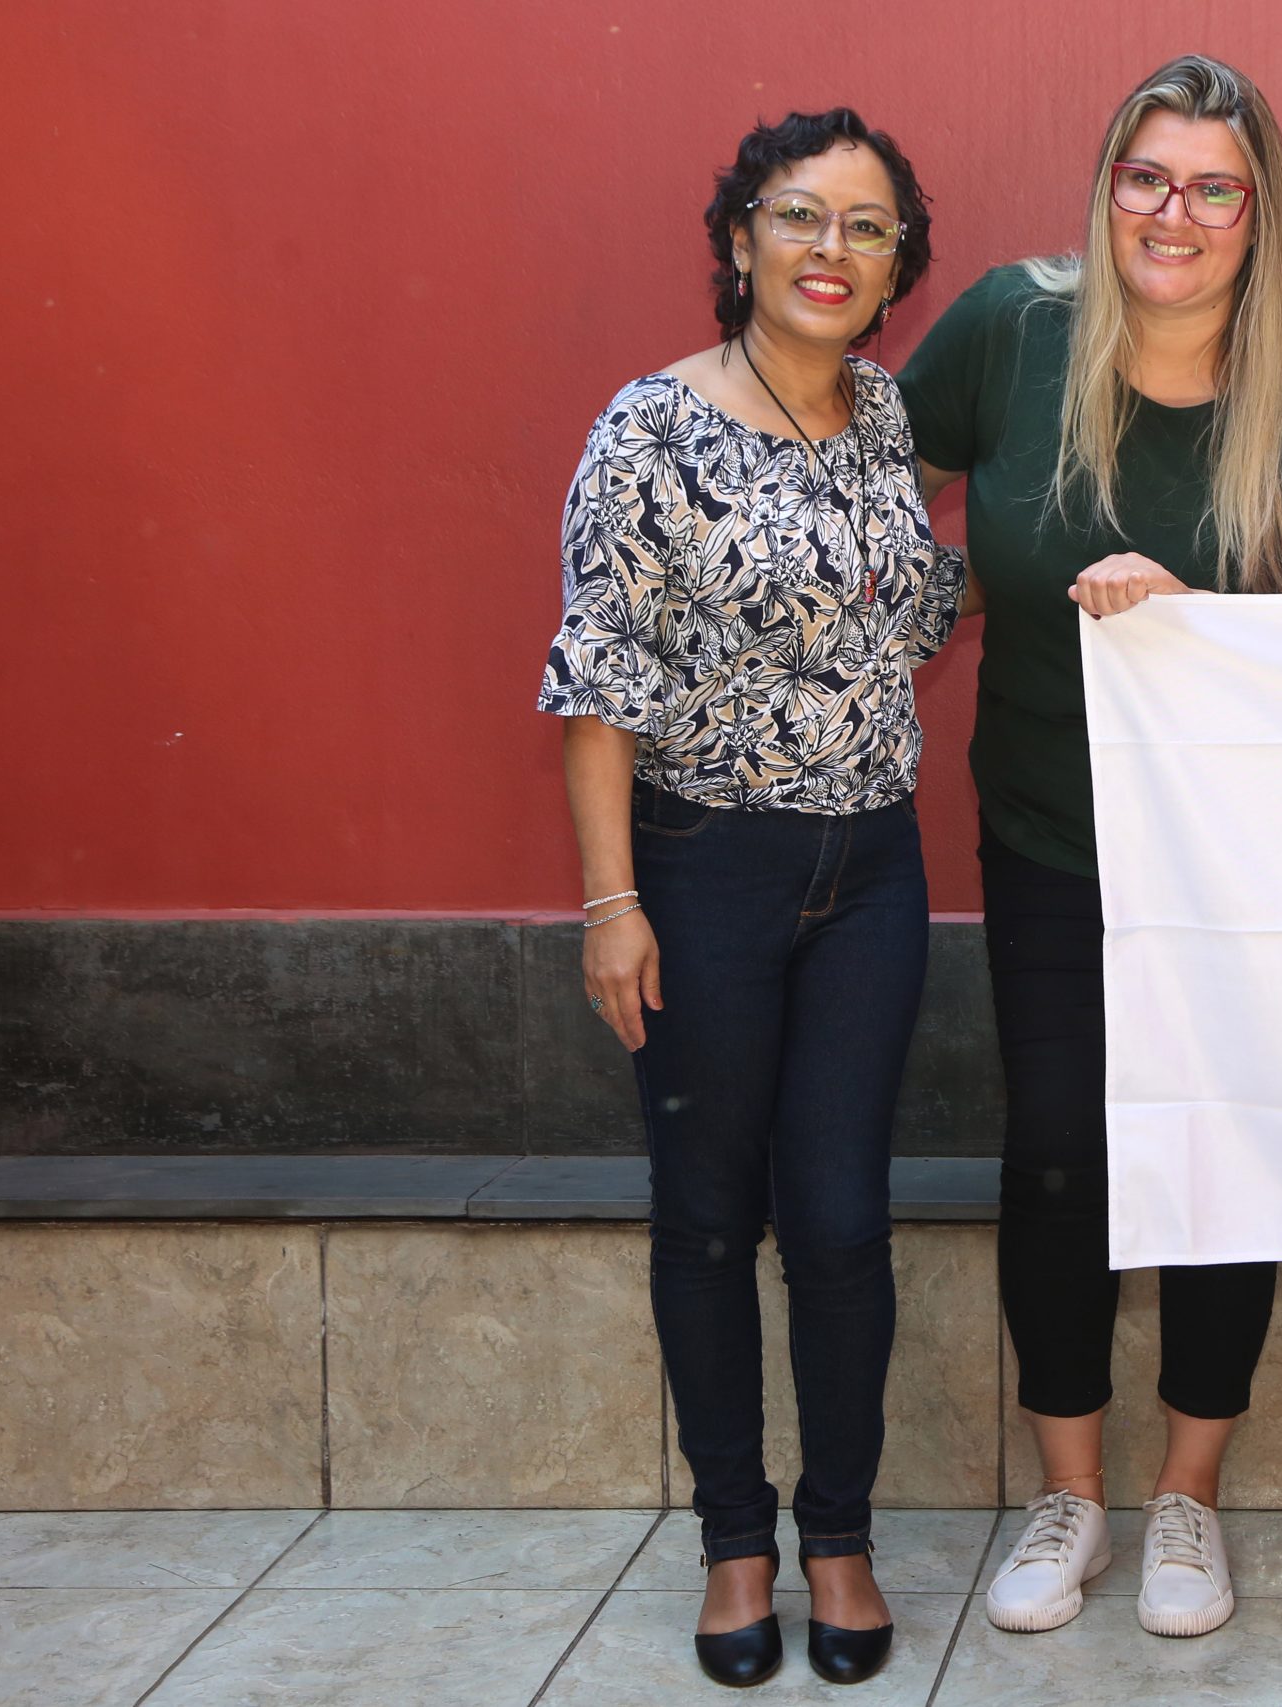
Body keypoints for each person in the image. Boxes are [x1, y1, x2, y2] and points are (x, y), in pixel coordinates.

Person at [896, 53, 1282, 1639]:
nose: (1174, 215)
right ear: (1107, 187)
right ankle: (1071, 1497)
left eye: (1213, 189)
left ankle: (1188, 1497)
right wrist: (922, 602)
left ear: (1260, 217)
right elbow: (879, 504)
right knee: (1056, 1153)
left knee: (1214, 1154)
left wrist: (1206, 627)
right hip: (1049, 826)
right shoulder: (1006, 330)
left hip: (1236, 855)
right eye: (1146, 179)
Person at [537, 108, 964, 1689]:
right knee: (712, 1221)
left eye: (866, 227)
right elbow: (599, 677)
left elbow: (911, 604)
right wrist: (611, 902)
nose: (832, 250)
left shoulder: (883, 417)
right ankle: (734, 1543)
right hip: (700, 873)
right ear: (740, 239)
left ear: (896, 263)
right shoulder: (649, 427)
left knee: (844, 1222)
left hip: (873, 873)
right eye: (801, 216)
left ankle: (836, 1534)